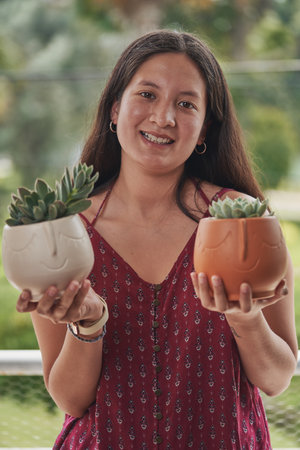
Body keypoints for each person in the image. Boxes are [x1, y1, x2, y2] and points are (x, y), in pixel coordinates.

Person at [16, 29, 298, 449]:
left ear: (203, 131)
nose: (163, 117)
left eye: (186, 104)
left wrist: (244, 317)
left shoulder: (246, 222)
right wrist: (88, 324)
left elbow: (276, 380)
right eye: (147, 95)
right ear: (115, 109)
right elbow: (71, 399)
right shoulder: (61, 231)